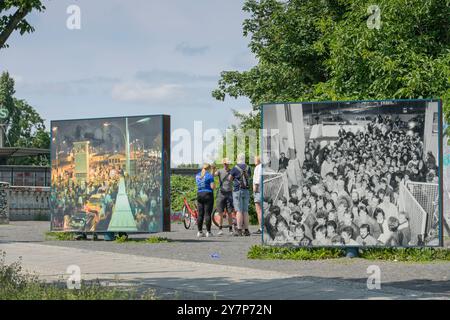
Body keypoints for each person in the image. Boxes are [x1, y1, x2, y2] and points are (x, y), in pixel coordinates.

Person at [229, 154, 252, 236]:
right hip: (246, 190)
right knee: (245, 211)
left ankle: (239, 230)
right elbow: (249, 177)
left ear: (237, 159)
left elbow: (230, 178)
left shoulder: (235, 168)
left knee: (239, 211)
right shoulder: (248, 167)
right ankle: (246, 230)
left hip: (237, 190)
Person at [214, 158, 234, 235]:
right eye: (225, 163)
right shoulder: (219, 171)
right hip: (221, 193)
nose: (226, 164)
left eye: (227, 163)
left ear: (229, 164)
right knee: (220, 212)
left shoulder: (232, 171)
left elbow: (236, 179)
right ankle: (220, 229)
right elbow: (213, 175)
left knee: (230, 212)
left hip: (229, 193)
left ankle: (230, 229)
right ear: (223, 164)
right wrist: (213, 169)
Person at [195, 163, 215, 238]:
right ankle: (208, 232)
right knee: (207, 214)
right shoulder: (209, 176)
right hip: (208, 195)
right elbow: (212, 187)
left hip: (199, 194)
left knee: (200, 214)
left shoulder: (197, 175)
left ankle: (199, 232)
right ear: (209, 168)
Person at [253, 155, 263, 234]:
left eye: (255, 159)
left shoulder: (258, 167)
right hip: (263, 189)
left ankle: (261, 228)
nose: (254, 161)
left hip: (259, 190)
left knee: (259, 210)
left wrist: (255, 187)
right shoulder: (264, 166)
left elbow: (258, 179)